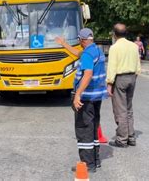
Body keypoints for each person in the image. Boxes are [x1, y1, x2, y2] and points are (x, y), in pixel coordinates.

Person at [56, 28, 108, 173]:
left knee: (84, 129)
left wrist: (78, 94)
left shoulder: (87, 54)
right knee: (92, 128)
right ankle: (95, 161)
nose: (79, 42)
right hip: (97, 96)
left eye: (79, 40)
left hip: (86, 97)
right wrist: (64, 44)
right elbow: (78, 53)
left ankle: (87, 164)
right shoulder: (96, 50)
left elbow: (88, 74)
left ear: (82, 40)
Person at [106, 23, 141, 148]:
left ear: (114, 34)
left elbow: (112, 67)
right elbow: (138, 65)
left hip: (120, 78)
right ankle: (131, 136)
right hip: (132, 77)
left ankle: (122, 138)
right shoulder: (134, 46)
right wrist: (133, 77)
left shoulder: (114, 48)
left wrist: (109, 84)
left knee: (120, 109)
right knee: (128, 108)